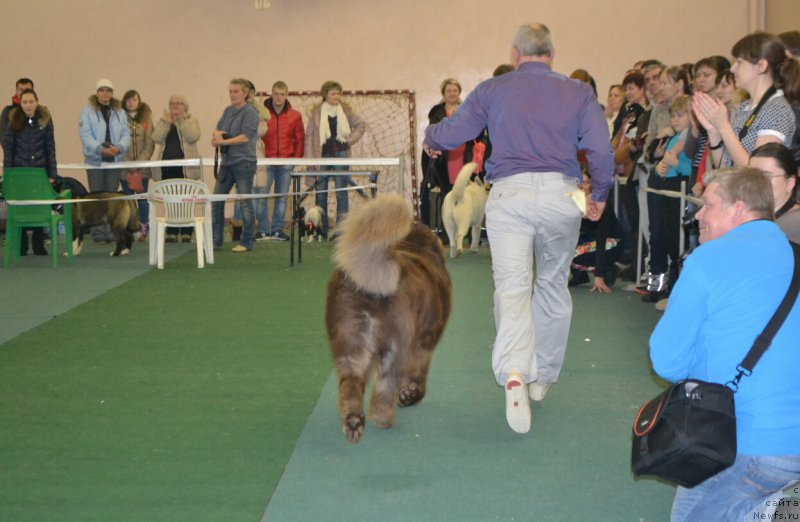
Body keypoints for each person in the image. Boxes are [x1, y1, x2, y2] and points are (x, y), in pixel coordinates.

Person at [425, 23, 613, 434]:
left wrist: (431, 136)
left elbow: (454, 131)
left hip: (508, 195)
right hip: (560, 196)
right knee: (551, 284)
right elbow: (600, 148)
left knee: (511, 287)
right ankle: (543, 376)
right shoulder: (578, 91)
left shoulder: (493, 90)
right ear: (552, 53)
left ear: (515, 54)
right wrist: (598, 192)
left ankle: (514, 372)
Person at [649, 167, 800, 521]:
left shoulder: (707, 260)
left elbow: (666, 361)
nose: (697, 215)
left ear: (739, 208)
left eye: (708, 205)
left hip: (744, 443)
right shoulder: (795, 256)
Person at [693, 32, 798, 168]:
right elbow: (724, 167)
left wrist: (724, 127)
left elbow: (757, 173)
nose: (732, 68)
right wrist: (713, 130)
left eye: (739, 62)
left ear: (761, 66)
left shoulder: (776, 109)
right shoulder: (744, 107)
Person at [304, 81, 365, 239]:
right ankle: (321, 229)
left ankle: (341, 231)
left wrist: (349, 140)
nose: (336, 96)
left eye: (338, 93)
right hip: (322, 156)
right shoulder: (316, 112)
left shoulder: (346, 110)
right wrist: (310, 161)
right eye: (333, 93)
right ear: (325, 95)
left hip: (341, 155)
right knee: (321, 192)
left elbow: (361, 125)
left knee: (341, 193)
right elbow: (309, 137)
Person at [421, 79, 481, 237]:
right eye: (449, 91)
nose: (452, 93)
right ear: (443, 93)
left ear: (459, 92)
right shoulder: (436, 112)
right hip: (444, 158)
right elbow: (432, 132)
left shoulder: (467, 110)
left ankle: (464, 231)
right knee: (447, 194)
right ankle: (446, 232)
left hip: (464, 156)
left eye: (455, 90)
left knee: (464, 195)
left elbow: (478, 131)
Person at [2, 88, 57, 255]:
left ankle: (39, 245)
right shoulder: (13, 122)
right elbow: (8, 150)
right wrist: (8, 176)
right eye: (24, 102)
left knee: (39, 208)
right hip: (20, 174)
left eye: (31, 101)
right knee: (22, 208)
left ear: (36, 102)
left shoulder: (45, 120)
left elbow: (50, 148)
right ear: (20, 103)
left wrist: (52, 174)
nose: (28, 105)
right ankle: (22, 246)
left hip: (40, 174)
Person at [78, 78, 131, 242]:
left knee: (111, 199)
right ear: (97, 92)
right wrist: (100, 149)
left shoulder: (120, 112)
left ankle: (111, 233)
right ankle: (98, 235)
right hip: (95, 161)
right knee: (96, 199)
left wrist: (119, 148)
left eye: (108, 90)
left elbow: (126, 135)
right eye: (102, 90)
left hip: (114, 161)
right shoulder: (86, 112)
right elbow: (86, 136)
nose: (105, 93)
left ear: (112, 93)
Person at [211, 78, 260, 253]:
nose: (232, 94)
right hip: (227, 162)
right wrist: (217, 136)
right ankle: (215, 242)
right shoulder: (227, 111)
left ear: (245, 93)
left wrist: (224, 142)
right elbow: (218, 129)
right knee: (216, 200)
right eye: (230, 91)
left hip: (244, 162)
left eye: (236, 91)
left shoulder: (251, 112)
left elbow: (245, 137)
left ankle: (246, 242)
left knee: (245, 202)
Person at [257, 80, 304, 241]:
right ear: (272, 94)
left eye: (282, 94)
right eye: (276, 94)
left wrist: (295, 160)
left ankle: (277, 230)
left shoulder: (295, 116)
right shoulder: (261, 113)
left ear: (286, 95)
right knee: (261, 196)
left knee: (281, 197)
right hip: (266, 162)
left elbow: (300, 139)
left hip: (286, 163)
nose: (279, 97)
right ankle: (263, 230)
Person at [152, 94, 202, 242]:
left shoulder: (191, 120)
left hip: (185, 167)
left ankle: (187, 231)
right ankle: (172, 231)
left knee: (186, 199)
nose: (175, 106)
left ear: (185, 106)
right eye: (172, 103)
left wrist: (181, 121)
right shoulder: (163, 121)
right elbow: (156, 138)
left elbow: (193, 136)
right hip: (167, 166)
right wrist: (166, 123)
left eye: (179, 103)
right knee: (170, 200)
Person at [120, 89, 154, 240]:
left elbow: (149, 143)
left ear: (139, 101)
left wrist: (139, 162)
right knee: (128, 199)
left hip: (142, 168)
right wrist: (128, 164)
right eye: (128, 100)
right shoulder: (119, 119)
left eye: (134, 99)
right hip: (124, 167)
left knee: (142, 198)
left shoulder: (147, 119)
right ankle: (130, 227)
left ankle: (143, 225)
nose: (131, 102)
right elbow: (118, 142)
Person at [750, 142, 800, 243]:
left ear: (790, 182)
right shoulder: (748, 216)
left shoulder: (796, 223)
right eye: (751, 175)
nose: (756, 183)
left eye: (766, 176)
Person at [0, 77, 34, 147]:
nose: (23, 92)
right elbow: (4, 139)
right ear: (16, 91)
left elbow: (48, 142)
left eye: (27, 90)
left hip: (38, 156)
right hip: (16, 157)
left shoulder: (41, 112)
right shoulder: (7, 112)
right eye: (20, 89)